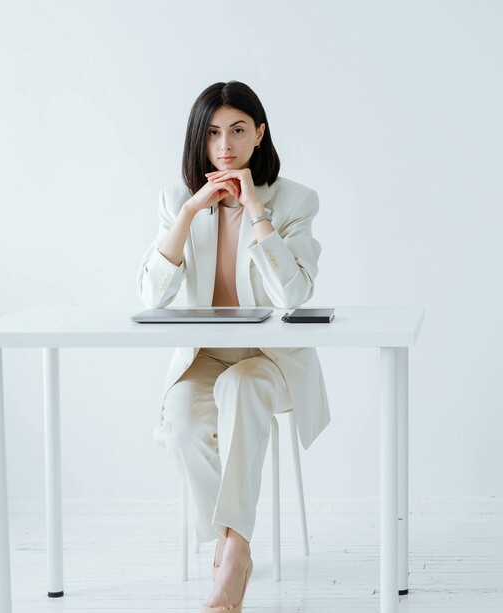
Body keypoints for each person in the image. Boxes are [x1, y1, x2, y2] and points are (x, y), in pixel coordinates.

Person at [137, 80, 331, 612]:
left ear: (260, 134)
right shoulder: (178, 201)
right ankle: (230, 541)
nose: (225, 144)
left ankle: (233, 559)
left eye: (239, 130)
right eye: (214, 132)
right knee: (182, 422)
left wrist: (255, 212)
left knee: (242, 386)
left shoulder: (294, 201)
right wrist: (187, 215)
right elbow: (152, 297)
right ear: (200, 140)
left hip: (270, 361)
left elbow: (293, 294)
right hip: (206, 357)